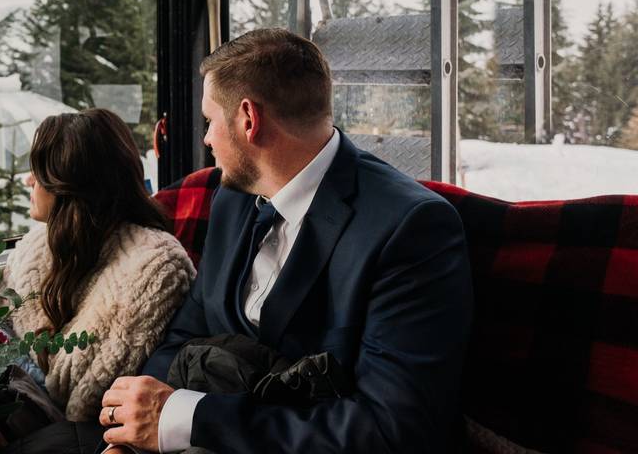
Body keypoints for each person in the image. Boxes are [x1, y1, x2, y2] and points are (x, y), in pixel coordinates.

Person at [97, 28, 474, 453]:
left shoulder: (412, 228)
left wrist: (184, 419)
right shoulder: (231, 198)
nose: (205, 139)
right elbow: (186, 331)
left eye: (209, 122)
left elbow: (391, 428)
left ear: (248, 120)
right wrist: (131, 436)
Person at [0, 109, 196, 437]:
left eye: (38, 168)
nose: (27, 179)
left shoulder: (155, 266)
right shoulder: (36, 251)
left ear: (70, 179)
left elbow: (85, 398)